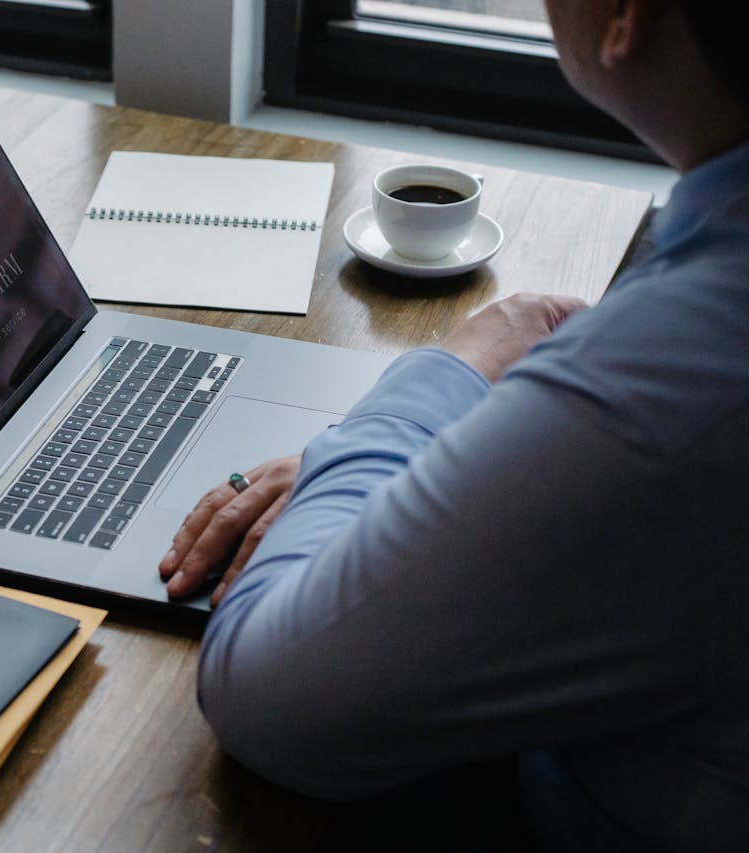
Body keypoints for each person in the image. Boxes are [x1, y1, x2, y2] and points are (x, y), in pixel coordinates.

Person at [159, 0, 749, 848]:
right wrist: (392, 471)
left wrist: (449, 376)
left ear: (625, 16)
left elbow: (265, 695)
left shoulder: (671, 389)